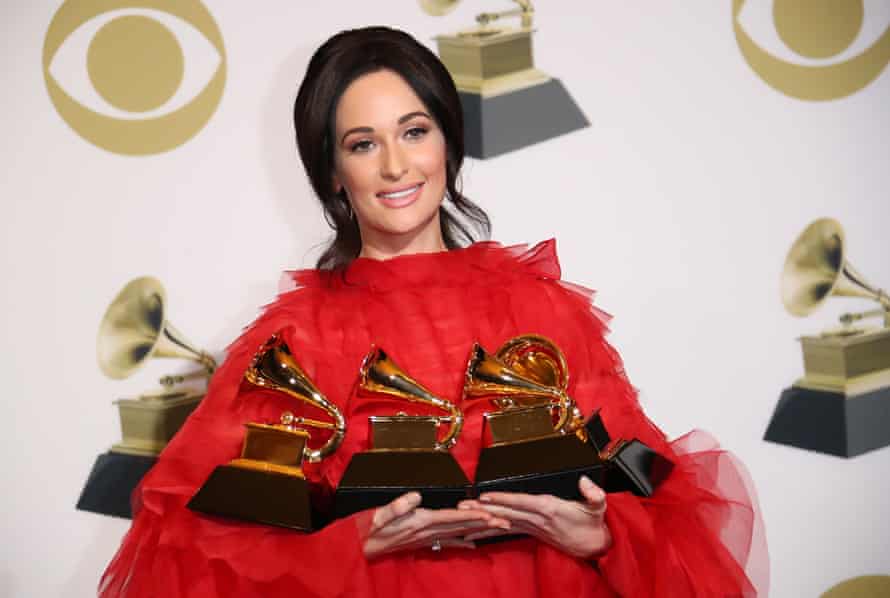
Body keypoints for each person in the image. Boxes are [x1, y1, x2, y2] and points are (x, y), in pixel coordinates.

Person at [100, 26, 767, 597]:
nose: (395, 166)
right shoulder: (296, 341)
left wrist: (600, 535)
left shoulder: (541, 309)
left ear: (446, 141)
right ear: (331, 171)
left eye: (413, 132)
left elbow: (665, 504)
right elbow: (190, 555)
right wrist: (349, 546)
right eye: (362, 144)